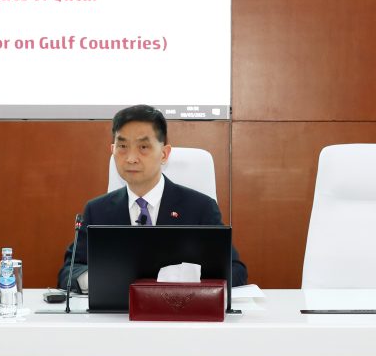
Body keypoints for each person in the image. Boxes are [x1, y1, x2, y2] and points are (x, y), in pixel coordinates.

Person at [57, 104, 248, 291]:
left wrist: (184, 279)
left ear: (164, 154)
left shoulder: (200, 208)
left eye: (143, 147)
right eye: (122, 146)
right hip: (118, 310)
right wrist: (96, 279)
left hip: (179, 308)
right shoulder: (97, 211)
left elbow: (236, 271)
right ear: (113, 150)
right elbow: (69, 271)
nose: (131, 158)